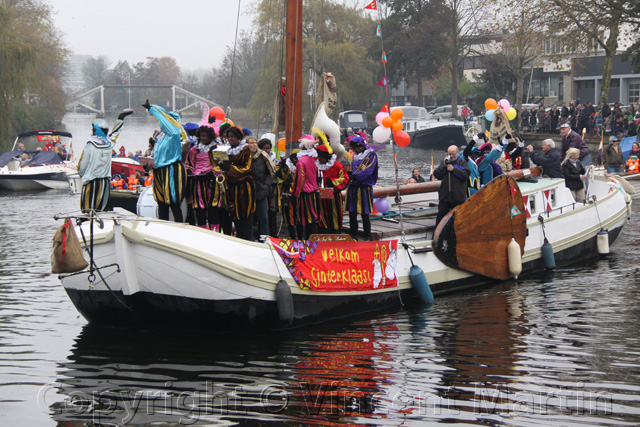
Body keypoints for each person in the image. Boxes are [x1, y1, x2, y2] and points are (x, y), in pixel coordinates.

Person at [77, 111, 133, 212]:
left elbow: (82, 166)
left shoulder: (90, 146)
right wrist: (121, 118)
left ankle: (87, 224)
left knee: (87, 209)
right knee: (102, 209)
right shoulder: (109, 144)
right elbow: (116, 132)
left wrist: (82, 175)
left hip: (91, 181)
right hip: (105, 182)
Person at [142, 99, 187, 222]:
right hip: (159, 170)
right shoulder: (161, 136)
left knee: (174, 202)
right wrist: (148, 164)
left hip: (171, 169)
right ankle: (163, 227)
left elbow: (164, 118)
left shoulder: (174, 131)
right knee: (161, 203)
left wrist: (152, 109)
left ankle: (179, 227)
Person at [184, 125, 224, 232]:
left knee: (213, 207)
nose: (203, 138)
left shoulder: (218, 147)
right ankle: (202, 232)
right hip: (198, 181)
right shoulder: (194, 149)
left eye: (205, 136)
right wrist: (190, 171)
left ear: (210, 136)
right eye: (201, 136)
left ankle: (215, 232)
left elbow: (223, 165)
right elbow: (189, 164)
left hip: (213, 181)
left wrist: (212, 173)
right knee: (199, 207)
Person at [219, 126, 256, 241]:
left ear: (239, 138)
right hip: (232, 186)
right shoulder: (225, 149)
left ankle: (247, 239)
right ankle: (238, 238)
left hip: (244, 187)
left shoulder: (245, 149)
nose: (230, 139)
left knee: (245, 214)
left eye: (233, 137)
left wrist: (229, 168)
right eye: (229, 137)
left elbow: (246, 168)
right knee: (234, 213)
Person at [345, 136, 378, 240]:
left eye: (354, 148)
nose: (353, 150)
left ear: (360, 147)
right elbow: (353, 169)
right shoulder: (355, 156)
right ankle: (353, 235)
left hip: (364, 188)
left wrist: (355, 176)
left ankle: (367, 236)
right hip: (353, 188)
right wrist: (349, 174)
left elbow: (368, 171)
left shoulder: (371, 155)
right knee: (352, 213)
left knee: (365, 214)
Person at [433, 145, 470, 226]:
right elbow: (437, 175)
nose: (451, 156)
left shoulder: (462, 163)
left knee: (459, 219)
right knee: (441, 217)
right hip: (445, 197)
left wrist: (453, 169)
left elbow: (465, 176)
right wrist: (444, 166)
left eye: (453, 154)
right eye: (450, 154)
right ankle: (437, 236)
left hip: (458, 197)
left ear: (457, 153)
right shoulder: (443, 163)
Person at [316, 144, 349, 234]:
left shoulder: (337, 166)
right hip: (322, 193)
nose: (319, 160)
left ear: (327, 158)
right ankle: (324, 231)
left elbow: (345, 178)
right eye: (319, 158)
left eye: (321, 158)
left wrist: (333, 182)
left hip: (334, 195)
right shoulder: (317, 166)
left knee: (334, 215)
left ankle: (335, 232)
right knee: (322, 214)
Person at [248, 135, 276, 241]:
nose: (254, 145)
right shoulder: (243, 156)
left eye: (255, 142)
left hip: (261, 190)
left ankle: (264, 240)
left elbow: (272, 172)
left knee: (263, 218)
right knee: (249, 218)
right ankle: (250, 239)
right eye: (251, 143)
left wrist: (266, 185)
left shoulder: (263, 156)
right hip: (247, 191)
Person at [291, 137, 319, 240]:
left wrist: (295, 194)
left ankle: (304, 241)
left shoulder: (301, 162)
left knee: (303, 219)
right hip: (313, 192)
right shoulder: (312, 160)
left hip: (304, 194)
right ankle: (312, 240)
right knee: (311, 217)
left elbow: (299, 180)